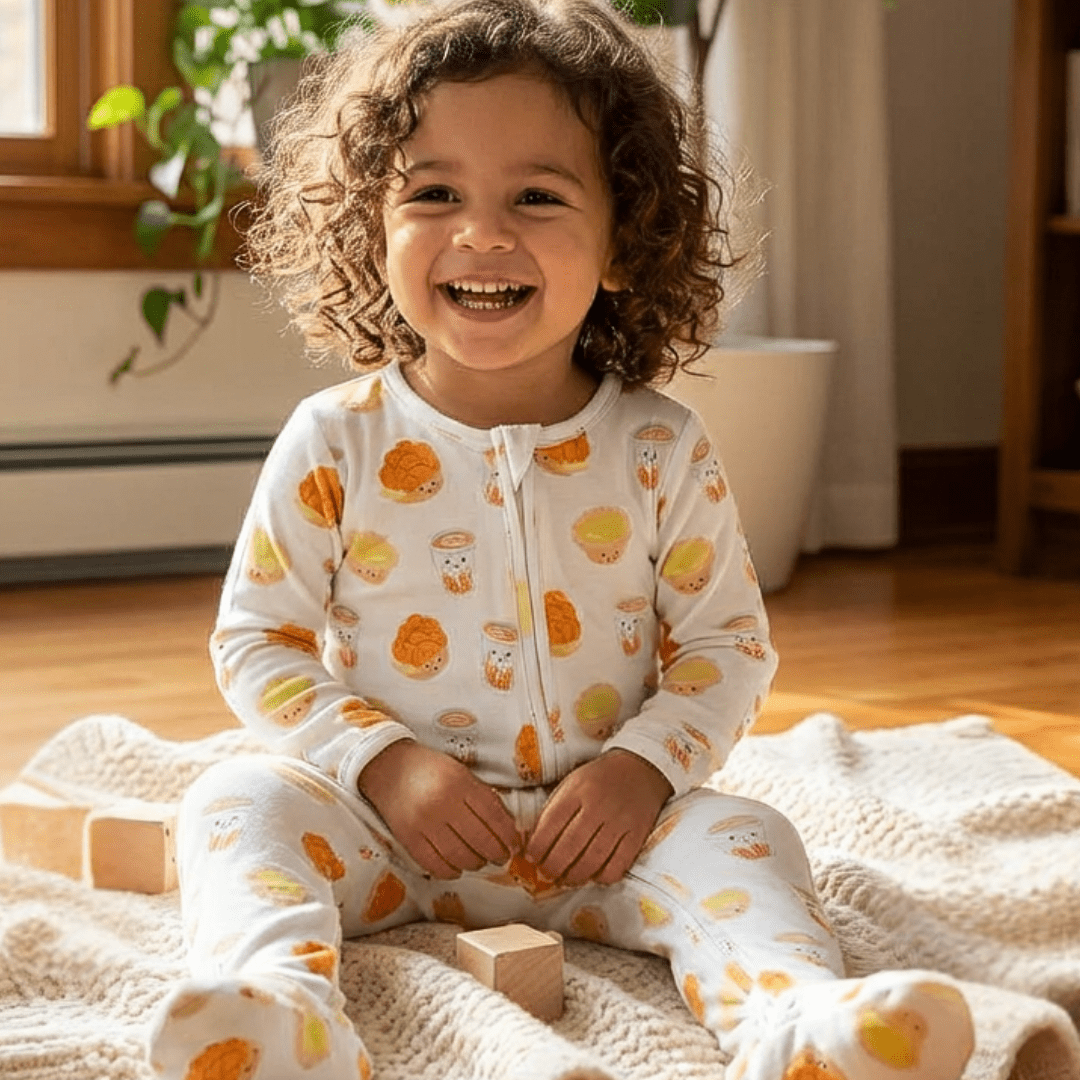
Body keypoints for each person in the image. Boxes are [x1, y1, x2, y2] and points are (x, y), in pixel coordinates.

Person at [148, 0, 976, 1077]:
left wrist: (643, 772)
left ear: (625, 236)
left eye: (536, 197)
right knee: (230, 802)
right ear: (372, 229)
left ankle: (803, 1030)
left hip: (610, 844)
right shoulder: (335, 441)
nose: (481, 233)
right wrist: (384, 766)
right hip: (384, 831)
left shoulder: (661, 448)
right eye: (434, 193)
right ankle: (281, 1015)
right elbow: (256, 643)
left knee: (752, 835)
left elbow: (727, 648)